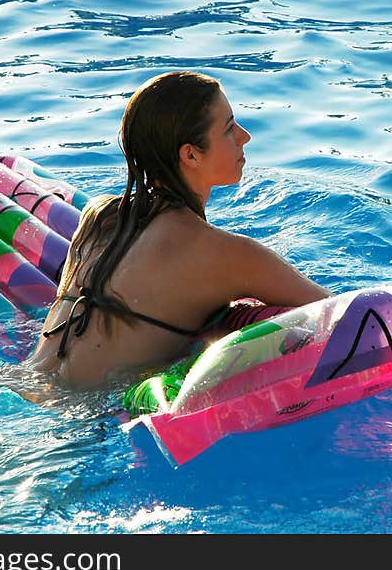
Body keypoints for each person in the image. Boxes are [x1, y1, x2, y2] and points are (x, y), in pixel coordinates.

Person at [28, 71, 331, 389]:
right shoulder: (228, 254)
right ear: (190, 154)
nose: (245, 136)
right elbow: (347, 318)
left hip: (21, 384)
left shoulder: (97, 215)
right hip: (82, 420)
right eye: (229, 129)